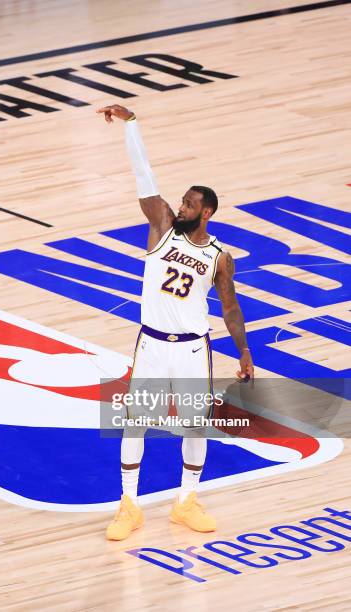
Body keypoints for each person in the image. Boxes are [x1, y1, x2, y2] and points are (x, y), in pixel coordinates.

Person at [96, 104, 254, 541]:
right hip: (151, 342)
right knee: (134, 422)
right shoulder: (162, 226)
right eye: (182, 200)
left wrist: (243, 350)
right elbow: (144, 178)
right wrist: (131, 126)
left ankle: (186, 501)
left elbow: (230, 307)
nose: (181, 206)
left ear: (207, 213)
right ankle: (129, 505)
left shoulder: (219, 256)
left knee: (193, 424)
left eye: (190, 204)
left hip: (191, 347)